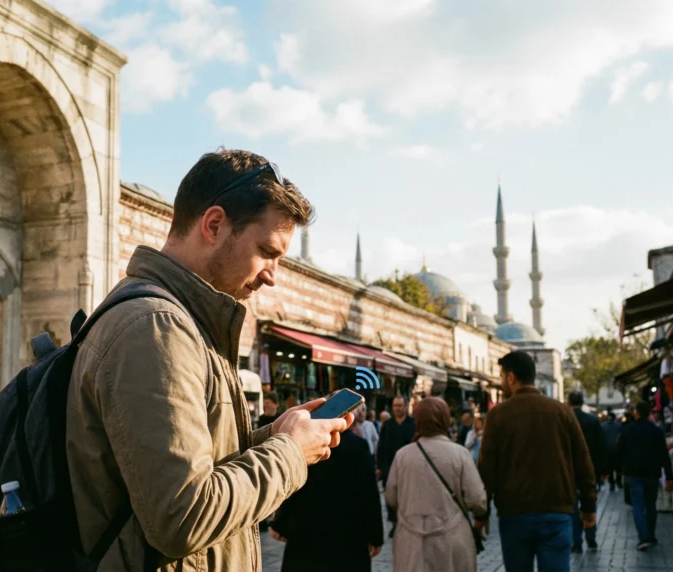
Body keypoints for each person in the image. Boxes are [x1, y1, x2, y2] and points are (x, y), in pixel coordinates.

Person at [65, 149, 353, 570]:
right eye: (266, 251)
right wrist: (290, 452)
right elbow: (183, 516)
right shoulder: (157, 328)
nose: (273, 274)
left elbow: (194, 469)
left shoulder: (180, 322)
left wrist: (276, 435)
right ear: (215, 225)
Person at [477, 352, 597, 572]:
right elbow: (582, 461)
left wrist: (481, 513)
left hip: (515, 514)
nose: (502, 382)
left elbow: (487, 469)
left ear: (511, 377)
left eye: (502, 376)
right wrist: (589, 506)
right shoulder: (562, 411)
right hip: (557, 510)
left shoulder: (498, 416)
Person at [385, 397, 487, 571]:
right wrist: (479, 519)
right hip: (452, 538)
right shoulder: (460, 454)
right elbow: (477, 499)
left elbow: (391, 498)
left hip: (411, 541)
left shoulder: (402, 455)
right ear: (445, 419)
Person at [269, 422, 383, 571]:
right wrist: (375, 535)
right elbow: (369, 495)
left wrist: (281, 524)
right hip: (348, 536)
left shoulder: (307, 445)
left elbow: (293, 488)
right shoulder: (358, 446)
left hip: (307, 534)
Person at [616, 401, 673, 551]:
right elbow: (664, 455)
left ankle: (643, 537)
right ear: (649, 413)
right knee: (650, 506)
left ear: (636, 412)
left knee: (637, 505)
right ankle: (651, 535)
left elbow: (618, 451)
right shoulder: (656, 431)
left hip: (633, 473)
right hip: (652, 473)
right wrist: (669, 476)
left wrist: (618, 469)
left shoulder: (628, 430)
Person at [567, 390, 607, 554]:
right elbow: (601, 447)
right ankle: (591, 538)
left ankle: (576, 542)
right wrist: (603, 470)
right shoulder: (592, 421)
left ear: (569, 402)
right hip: (590, 469)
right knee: (589, 502)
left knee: (573, 507)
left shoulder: (566, 420)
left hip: (569, 470)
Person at [377, 396, 415, 537]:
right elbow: (381, 446)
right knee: (391, 497)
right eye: (395, 406)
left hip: (409, 467)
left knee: (407, 496)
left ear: (406, 406)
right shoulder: (387, 424)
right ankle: (394, 523)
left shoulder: (413, 423)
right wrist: (380, 466)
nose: (397, 408)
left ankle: (406, 523)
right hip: (390, 466)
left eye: (400, 405)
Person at [601, 412, 623, 491]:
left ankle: (615, 482)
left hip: (611, 450)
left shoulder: (604, 426)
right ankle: (615, 482)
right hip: (613, 450)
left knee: (615, 468)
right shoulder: (618, 426)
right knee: (615, 468)